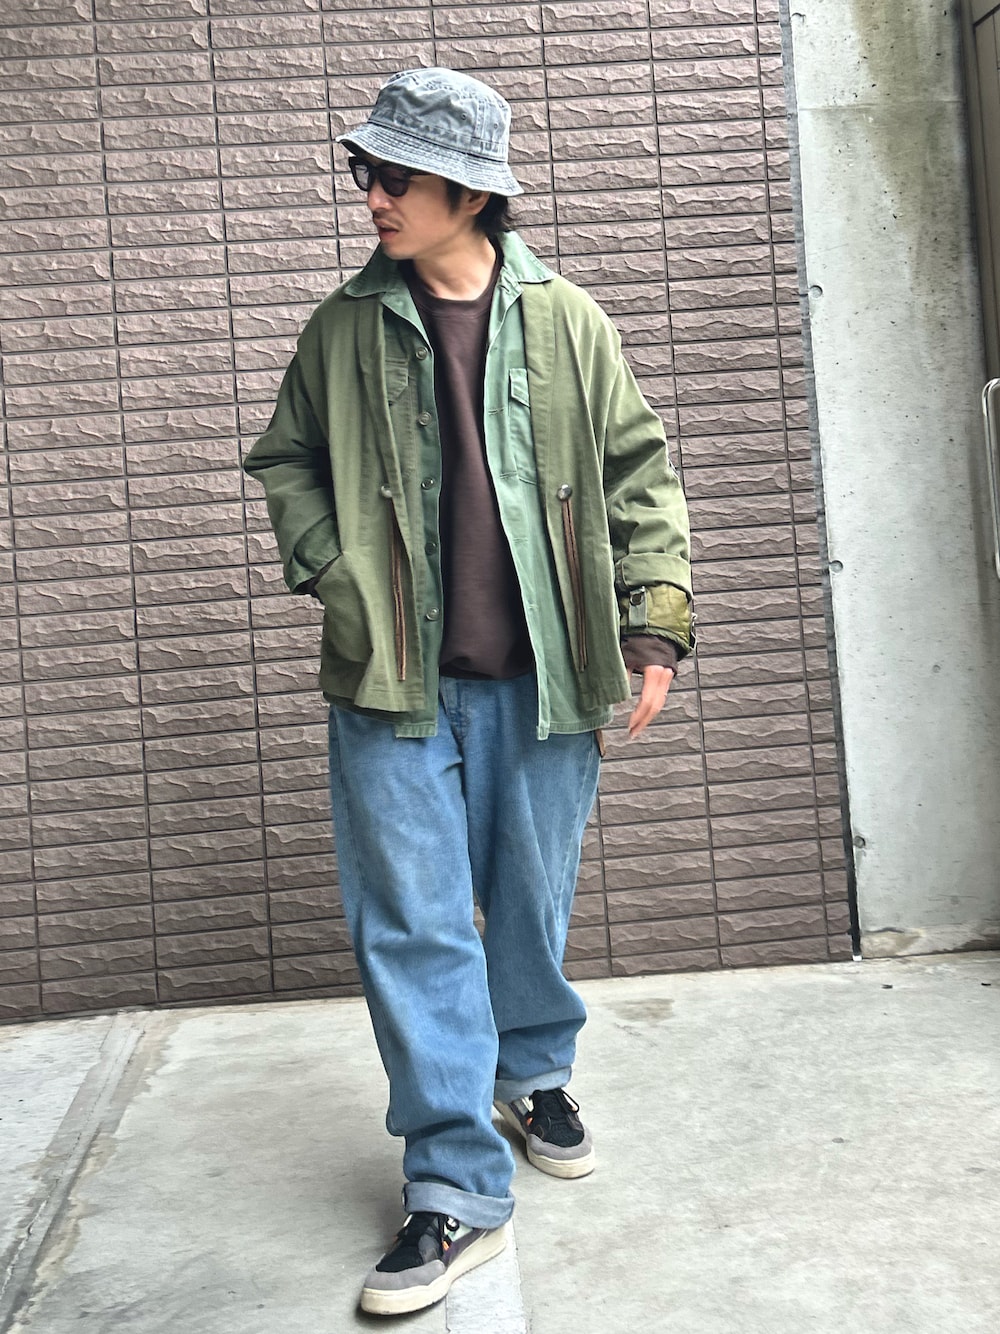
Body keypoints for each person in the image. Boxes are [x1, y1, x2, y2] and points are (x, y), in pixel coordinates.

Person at [243, 66, 694, 1317]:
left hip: (545, 678)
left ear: (470, 191)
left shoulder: (568, 321)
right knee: (414, 924)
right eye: (366, 173)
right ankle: (453, 1184)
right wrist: (335, 571)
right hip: (389, 685)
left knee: (528, 898)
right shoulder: (343, 327)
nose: (371, 197)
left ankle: (532, 1070)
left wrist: (654, 625)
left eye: (395, 176)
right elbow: (285, 457)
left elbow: (639, 472)